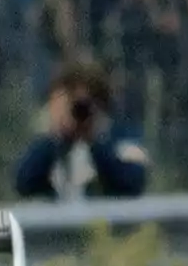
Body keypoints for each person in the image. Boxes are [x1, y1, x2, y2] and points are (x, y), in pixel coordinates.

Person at [12, 60, 148, 200]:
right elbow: (23, 183)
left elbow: (133, 183)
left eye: (84, 106)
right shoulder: (49, 146)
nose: (78, 113)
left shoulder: (121, 139)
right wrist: (56, 135)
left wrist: (96, 140)